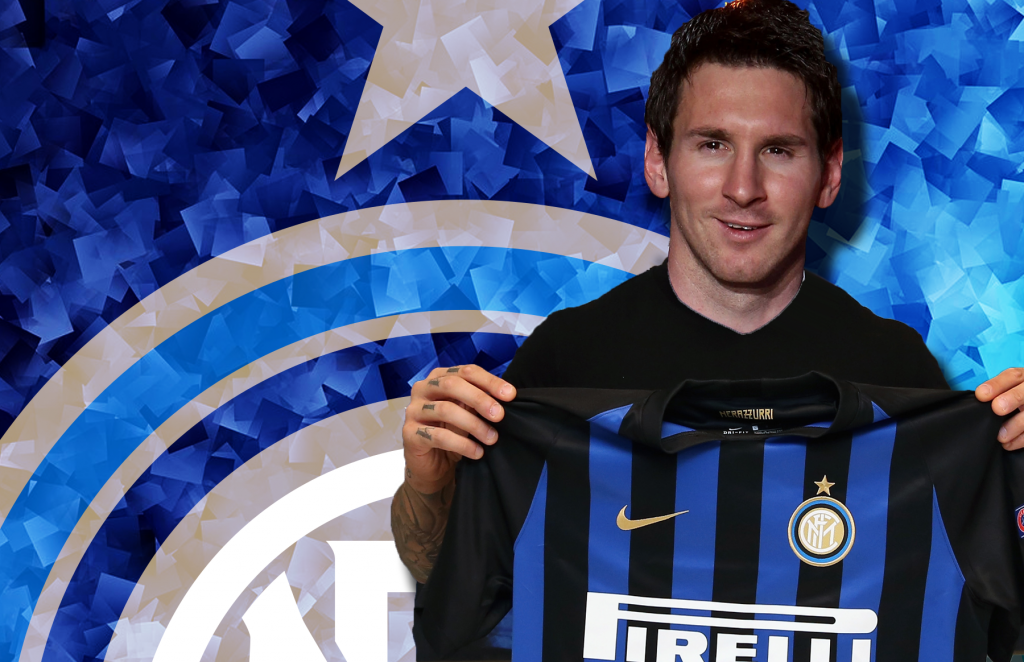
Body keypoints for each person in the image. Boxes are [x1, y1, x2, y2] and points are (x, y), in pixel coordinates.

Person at [391, 0, 1024, 585]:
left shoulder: (896, 372)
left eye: (778, 150)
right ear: (657, 161)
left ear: (829, 173)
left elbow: (975, 594)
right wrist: (430, 485)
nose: (743, 187)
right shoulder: (567, 359)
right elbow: (451, 576)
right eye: (713, 144)